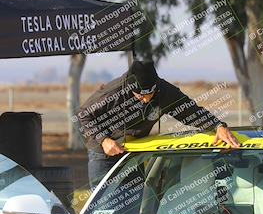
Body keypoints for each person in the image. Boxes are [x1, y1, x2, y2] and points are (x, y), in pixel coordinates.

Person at [78, 61, 240, 188]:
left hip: (133, 152)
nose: (146, 99)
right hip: (103, 153)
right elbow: (83, 115)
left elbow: (190, 111)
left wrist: (217, 125)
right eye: (140, 96)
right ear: (129, 87)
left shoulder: (165, 91)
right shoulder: (112, 92)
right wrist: (103, 140)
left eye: (150, 94)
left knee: (133, 206)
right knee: (103, 209)